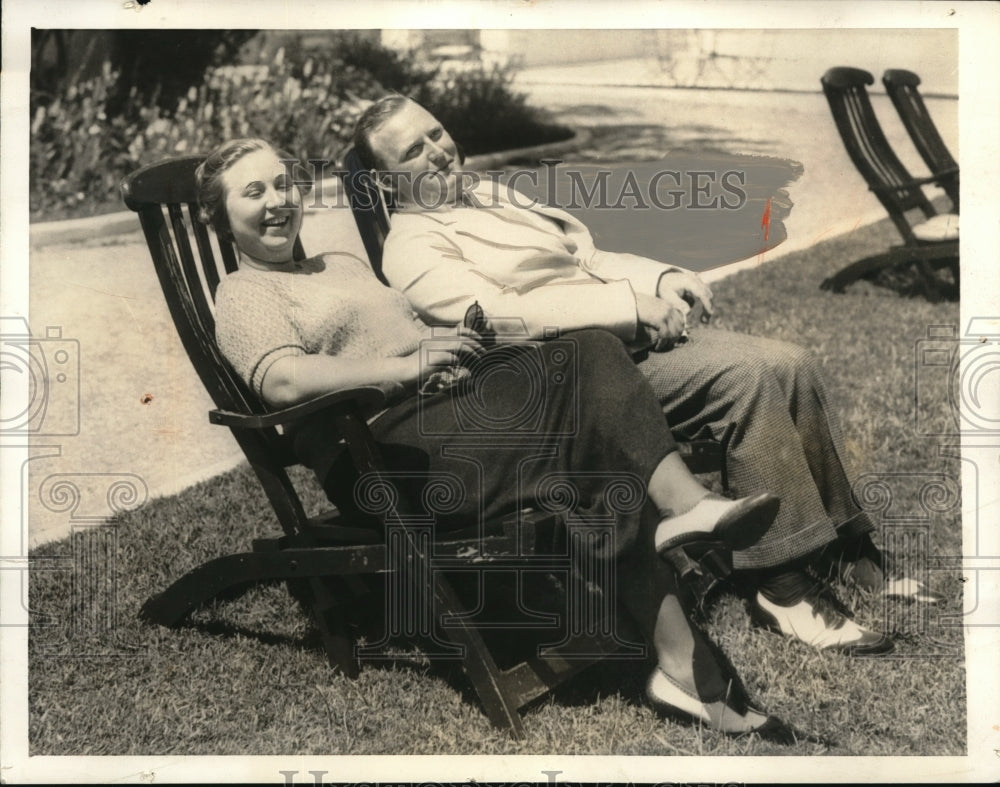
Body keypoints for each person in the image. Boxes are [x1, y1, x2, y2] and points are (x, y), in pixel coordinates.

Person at [196, 137, 802, 742]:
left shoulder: (342, 265)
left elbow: (413, 329)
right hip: (386, 460)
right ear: (220, 218)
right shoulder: (245, 294)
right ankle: (688, 552)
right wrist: (404, 370)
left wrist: (458, 342)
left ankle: (683, 649)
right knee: (589, 411)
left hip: (449, 419)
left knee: (591, 361)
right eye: (254, 192)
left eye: (283, 184)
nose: (277, 201)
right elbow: (282, 381)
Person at [351, 96, 944, 656]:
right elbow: (502, 319)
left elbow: (585, 257)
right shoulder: (412, 247)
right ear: (384, 181)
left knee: (794, 363)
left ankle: (846, 547)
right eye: (413, 152)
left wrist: (660, 277)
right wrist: (630, 308)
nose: (438, 151)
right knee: (756, 374)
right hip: (573, 378)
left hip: (619, 344)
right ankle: (782, 588)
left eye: (436, 133)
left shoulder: (488, 194)